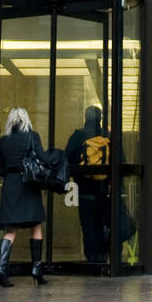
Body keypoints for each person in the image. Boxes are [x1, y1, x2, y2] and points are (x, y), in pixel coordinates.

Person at [0, 107, 48, 287]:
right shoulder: (32, 136)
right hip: (29, 185)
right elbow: (42, 158)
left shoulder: (3, 140)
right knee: (36, 225)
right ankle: (36, 269)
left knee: (11, 229)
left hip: (10, 184)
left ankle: (2, 268)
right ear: (26, 119)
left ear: (10, 120)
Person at [64, 105, 112, 265]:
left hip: (84, 190)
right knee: (102, 224)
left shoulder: (78, 136)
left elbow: (67, 159)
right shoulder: (108, 135)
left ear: (85, 118)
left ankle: (92, 259)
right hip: (104, 190)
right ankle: (103, 256)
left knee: (88, 226)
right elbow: (120, 161)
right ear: (100, 119)